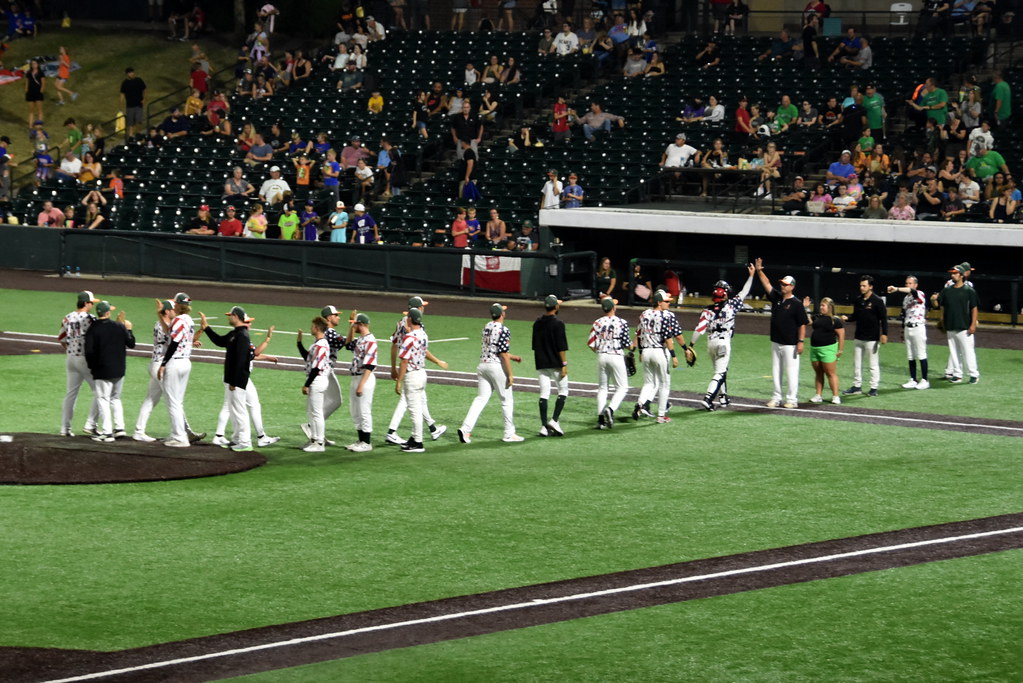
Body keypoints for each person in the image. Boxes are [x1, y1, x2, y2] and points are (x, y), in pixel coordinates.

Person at [689, 266, 756, 411]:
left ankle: (723, 398)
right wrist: (751, 276)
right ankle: (708, 398)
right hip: (724, 343)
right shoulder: (731, 306)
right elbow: (744, 292)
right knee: (720, 373)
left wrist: (691, 345)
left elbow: (699, 329)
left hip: (711, 343)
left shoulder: (707, 310)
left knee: (720, 371)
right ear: (725, 295)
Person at [458, 303, 525, 444]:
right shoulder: (504, 329)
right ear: (502, 314)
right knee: (506, 400)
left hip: (483, 366)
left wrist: (513, 357)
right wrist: (510, 375)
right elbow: (503, 354)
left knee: (480, 399)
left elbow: (494, 348)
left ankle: (465, 429)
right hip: (496, 367)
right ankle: (509, 433)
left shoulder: (486, 326)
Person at [385, 296, 447, 445]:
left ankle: (432, 428)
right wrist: (438, 361)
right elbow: (420, 350)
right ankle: (392, 432)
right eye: (422, 306)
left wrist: (392, 367)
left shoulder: (400, 322)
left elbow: (394, 345)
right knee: (407, 401)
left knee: (421, 400)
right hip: (411, 368)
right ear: (417, 309)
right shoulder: (417, 328)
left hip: (406, 367)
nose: (424, 308)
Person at [199, 307, 259, 452]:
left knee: (239, 411)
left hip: (237, 380)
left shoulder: (242, 335)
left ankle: (245, 442)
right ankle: (237, 439)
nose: (229, 318)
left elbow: (241, 360)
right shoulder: (235, 334)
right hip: (232, 379)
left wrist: (234, 381)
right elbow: (220, 341)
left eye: (230, 315)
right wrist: (206, 328)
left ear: (236, 316)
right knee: (234, 411)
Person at [754, 259, 809, 408]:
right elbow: (767, 284)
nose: (782, 286)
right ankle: (776, 397)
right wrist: (759, 271)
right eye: (782, 284)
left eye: (785, 284)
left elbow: (802, 324)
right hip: (776, 341)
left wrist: (801, 341)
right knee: (776, 371)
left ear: (792, 286)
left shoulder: (797, 304)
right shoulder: (777, 298)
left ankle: (792, 400)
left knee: (791, 372)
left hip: (790, 344)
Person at [631, 290, 688, 423]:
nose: (667, 304)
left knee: (648, 383)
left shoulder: (644, 314)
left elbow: (638, 334)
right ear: (659, 302)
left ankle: (640, 404)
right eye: (665, 301)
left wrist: (639, 352)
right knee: (664, 384)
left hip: (646, 352)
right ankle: (661, 416)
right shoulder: (664, 316)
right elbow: (668, 338)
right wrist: (674, 355)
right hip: (659, 352)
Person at [83, 301, 135, 442]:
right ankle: (119, 428)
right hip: (119, 369)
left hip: (102, 370)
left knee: (103, 400)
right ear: (108, 313)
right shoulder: (119, 326)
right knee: (115, 398)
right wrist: (128, 329)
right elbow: (131, 344)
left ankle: (107, 433)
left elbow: (88, 351)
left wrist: (92, 367)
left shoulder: (93, 328)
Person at [297, 305, 346, 446]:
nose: (338, 317)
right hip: (324, 373)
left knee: (319, 409)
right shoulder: (329, 333)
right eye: (336, 315)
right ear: (329, 318)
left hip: (320, 374)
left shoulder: (323, 339)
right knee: (320, 409)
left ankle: (317, 435)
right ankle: (316, 434)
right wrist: (353, 327)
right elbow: (347, 343)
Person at [156, 292, 199, 447]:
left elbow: (173, 342)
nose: (173, 304)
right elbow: (169, 332)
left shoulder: (179, 320)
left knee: (172, 401)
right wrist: (161, 316)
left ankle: (180, 438)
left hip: (175, 362)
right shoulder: (188, 320)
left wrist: (163, 363)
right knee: (177, 401)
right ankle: (176, 434)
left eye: (175, 303)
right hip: (185, 362)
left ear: (178, 305)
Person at [58, 291, 101, 437]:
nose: (92, 305)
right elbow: (98, 338)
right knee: (100, 391)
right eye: (91, 303)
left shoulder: (67, 317)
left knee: (71, 394)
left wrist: (71, 350)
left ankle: (65, 429)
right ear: (86, 303)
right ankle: (91, 424)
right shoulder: (90, 318)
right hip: (86, 359)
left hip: (71, 358)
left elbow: (62, 339)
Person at [840, 275, 888, 397]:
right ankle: (857, 386)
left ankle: (873, 387)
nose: (861, 288)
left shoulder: (877, 301)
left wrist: (884, 334)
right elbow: (855, 316)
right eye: (861, 285)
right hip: (858, 337)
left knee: (873, 365)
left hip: (872, 339)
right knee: (856, 364)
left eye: (864, 285)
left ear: (870, 287)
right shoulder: (858, 300)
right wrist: (848, 318)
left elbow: (884, 319)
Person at [931, 264, 980, 384]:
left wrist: (973, 324)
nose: (952, 275)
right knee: (954, 352)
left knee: (968, 351)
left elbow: (974, 308)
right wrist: (933, 300)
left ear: (961, 275)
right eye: (952, 273)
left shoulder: (969, 291)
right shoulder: (947, 290)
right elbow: (938, 305)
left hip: (964, 326)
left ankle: (974, 374)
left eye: (955, 273)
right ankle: (957, 374)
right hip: (950, 325)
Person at [588, 297, 632, 429]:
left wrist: (600, 350)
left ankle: (600, 420)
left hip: (601, 356)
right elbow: (627, 344)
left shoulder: (597, 323)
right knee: (622, 387)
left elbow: (590, 343)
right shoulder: (622, 322)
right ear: (613, 308)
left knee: (602, 388)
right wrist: (633, 346)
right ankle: (611, 409)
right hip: (616, 356)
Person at [532, 295, 569, 437]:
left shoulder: (537, 323)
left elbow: (535, 346)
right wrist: (564, 364)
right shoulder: (558, 324)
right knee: (563, 391)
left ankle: (543, 426)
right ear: (556, 307)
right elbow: (561, 347)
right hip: (555, 364)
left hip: (541, 363)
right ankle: (554, 420)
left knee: (544, 394)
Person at [342, 312, 378, 452]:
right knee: (355, 410)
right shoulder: (361, 339)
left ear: (361, 324)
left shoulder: (370, 341)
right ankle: (360, 440)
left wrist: (361, 384)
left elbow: (370, 365)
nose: (353, 325)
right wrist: (350, 327)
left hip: (365, 378)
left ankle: (367, 442)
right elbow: (348, 344)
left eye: (355, 323)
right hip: (356, 377)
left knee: (364, 410)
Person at [887, 276, 931, 390]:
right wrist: (902, 331)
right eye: (907, 283)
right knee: (910, 355)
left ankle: (925, 380)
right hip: (908, 327)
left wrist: (896, 289)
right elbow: (904, 315)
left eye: (910, 283)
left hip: (918, 327)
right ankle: (913, 379)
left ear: (915, 285)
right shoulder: (906, 299)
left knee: (921, 354)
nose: (908, 285)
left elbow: (912, 291)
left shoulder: (920, 293)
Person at [299, 316, 332, 453]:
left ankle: (319, 442)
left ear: (317, 328)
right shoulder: (317, 343)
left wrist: (307, 384)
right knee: (312, 412)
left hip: (317, 380)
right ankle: (314, 439)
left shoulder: (321, 345)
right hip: (316, 379)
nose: (311, 328)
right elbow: (307, 357)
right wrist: (299, 343)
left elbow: (316, 367)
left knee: (317, 413)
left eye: (312, 326)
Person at [803, 296, 845, 404]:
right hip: (815, 349)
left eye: (823, 305)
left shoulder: (835, 320)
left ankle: (835, 396)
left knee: (830, 373)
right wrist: (805, 308)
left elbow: (841, 335)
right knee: (818, 373)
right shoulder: (816, 317)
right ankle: (818, 395)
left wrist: (840, 350)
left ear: (830, 307)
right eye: (820, 305)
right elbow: (806, 322)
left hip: (828, 349)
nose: (821, 307)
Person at [119, 67, 147, 140]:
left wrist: (144, 98)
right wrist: (120, 105)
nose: (131, 74)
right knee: (130, 122)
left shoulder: (139, 80)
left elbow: (144, 89)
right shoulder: (125, 83)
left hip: (138, 104)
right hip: (130, 106)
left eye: (132, 72)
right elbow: (122, 94)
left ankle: (138, 134)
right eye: (129, 73)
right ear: (127, 74)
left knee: (138, 121)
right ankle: (131, 136)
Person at [24, 59, 45, 129]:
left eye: (35, 64)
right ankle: (30, 126)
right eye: (32, 64)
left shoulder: (40, 73)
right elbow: (27, 83)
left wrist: (41, 91)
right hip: (30, 93)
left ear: (38, 64)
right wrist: (26, 90)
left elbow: (43, 83)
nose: (34, 65)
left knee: (39, 110)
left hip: (38, 93)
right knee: (31, 111)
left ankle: (39, 125)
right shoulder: (29, 73)